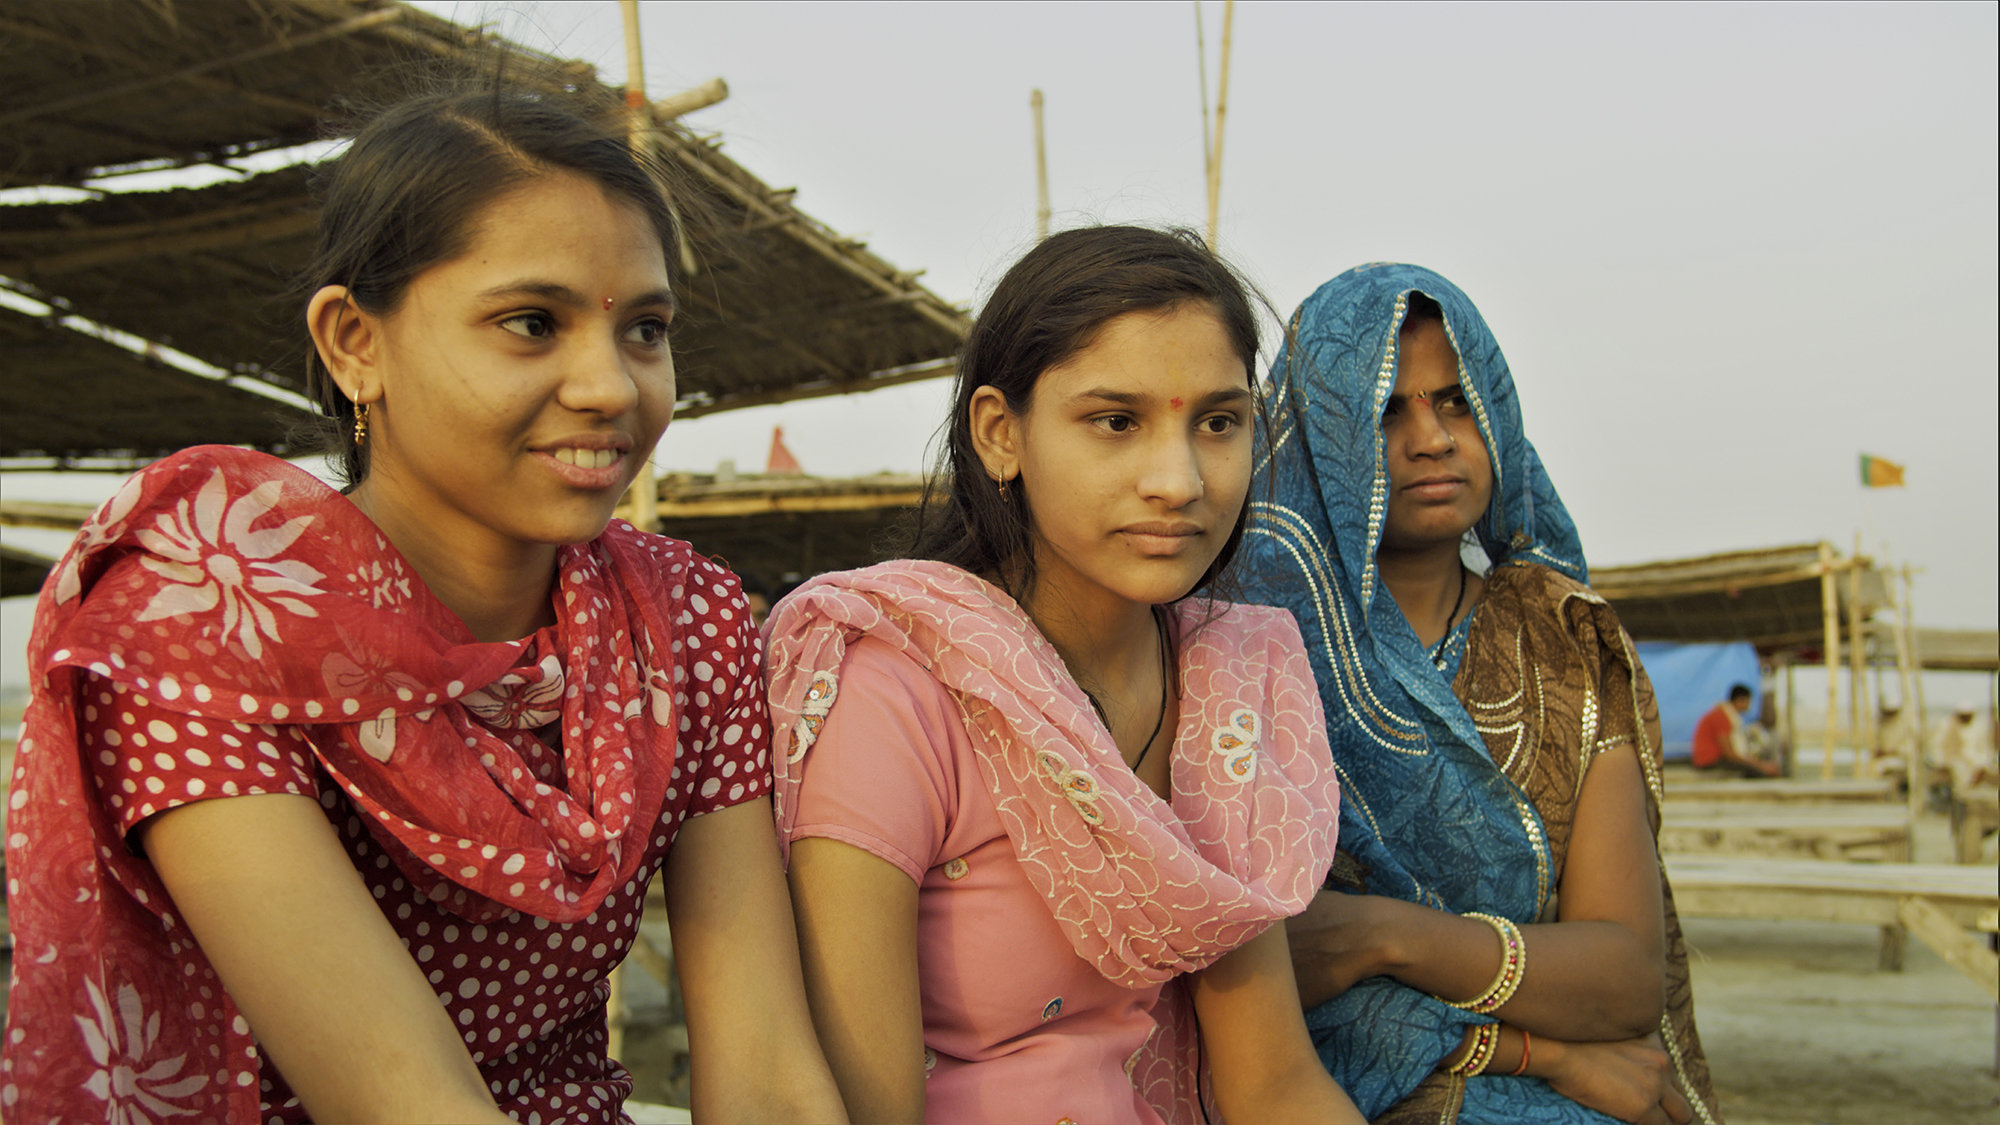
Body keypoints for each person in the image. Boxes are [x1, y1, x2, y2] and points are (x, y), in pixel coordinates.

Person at [0, 85, 843, 1123]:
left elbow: (763, 1066)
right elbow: (404, 1102)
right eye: (532, 323)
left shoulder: (685, 620)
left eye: (646, 329)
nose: (612, 386)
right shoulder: (206, 617)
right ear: (355, 341)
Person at [764, 226, 1362, 1123]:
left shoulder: (1227, 682)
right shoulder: (896, 686)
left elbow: (1272, 1084)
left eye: (1219, 421)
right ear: (1001, 434)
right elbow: (862, 1104)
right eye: (1116, 422)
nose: (1179, 478)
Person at [1246, 264, 1720, 1124]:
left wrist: (1385, 936)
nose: (1432, 436)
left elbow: (1620, 979)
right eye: (1388, 408)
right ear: (1320, 432)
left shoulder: (1566, 640)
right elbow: (1275, 970)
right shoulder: (1249, 645)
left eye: (1456, 400)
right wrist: (1545, 1047)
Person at [1691, 685, 1780, 778]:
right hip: (1710, 762)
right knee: (1759, 774)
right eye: (1748, 701)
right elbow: (1729, 754)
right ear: (1740, 700)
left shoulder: (1729, 716)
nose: (1749, 705)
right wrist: (1760, 765)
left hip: (1718, 759)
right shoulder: (1721, 716)